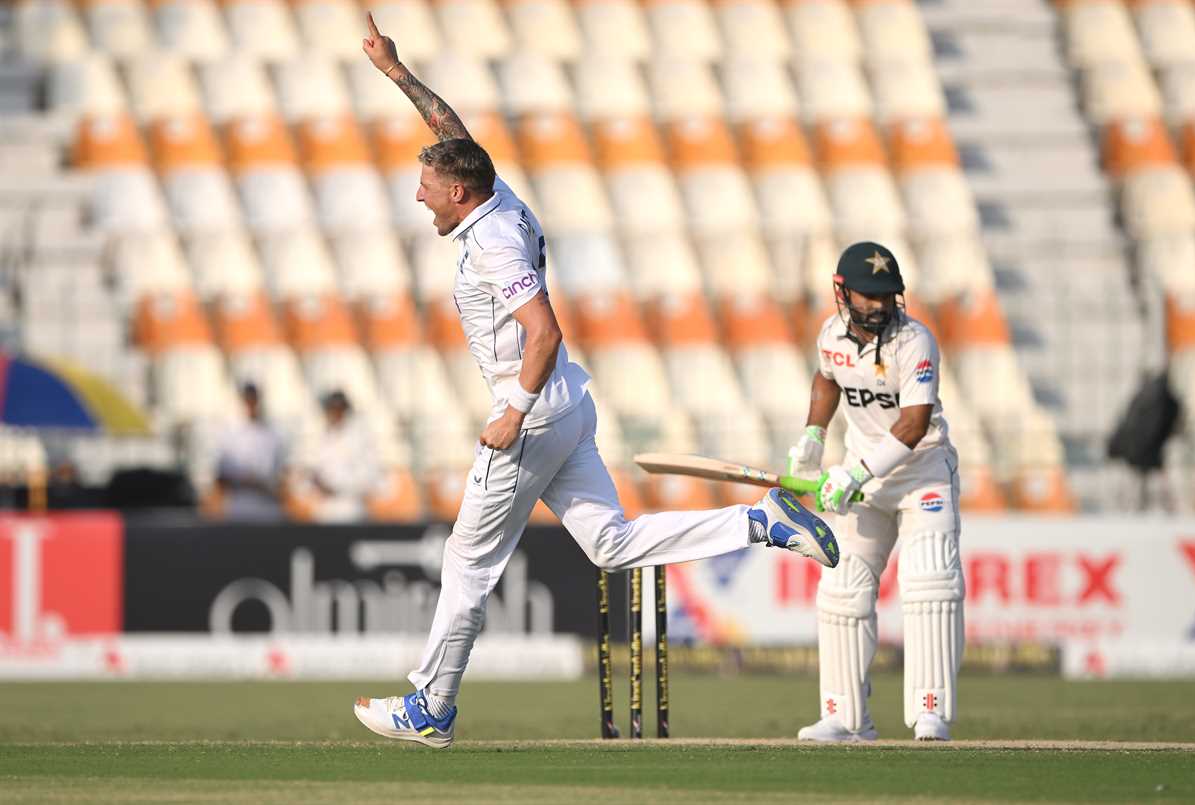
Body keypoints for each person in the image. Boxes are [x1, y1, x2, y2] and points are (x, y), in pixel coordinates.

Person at [353, 13, 840, 748]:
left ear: (458, 194)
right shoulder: (494, 194)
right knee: (610, 543)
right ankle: (758, 519)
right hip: (568, 408)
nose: (419, 194)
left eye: (426, 185)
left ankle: (431, 706)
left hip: (537, 410)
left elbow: (545, 331)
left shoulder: (492, 241)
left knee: (467, 561)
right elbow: (452, 130)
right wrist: (396, 73)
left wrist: (512, 412)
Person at [787, 241, 965, 743]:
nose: (879, 305)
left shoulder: (916, 342)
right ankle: (845, 718)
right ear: (843, 293)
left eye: (887, 295)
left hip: (922, 474)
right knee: (842, 587)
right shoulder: (830, 336)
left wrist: (854, 473)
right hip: (863, 477)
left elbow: (913, 425)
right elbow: (827, 381)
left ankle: (931, 712)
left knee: (930, 582)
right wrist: (813, 436)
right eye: (868, 295)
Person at [299, 389, 381, 523]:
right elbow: (307, 480)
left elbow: (370, 479)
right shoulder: (322, 439)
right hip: (325, 514)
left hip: (352, 513)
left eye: (337, 409)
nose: (333, 414)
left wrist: (336, 487)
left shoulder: (360, 439)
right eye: (330, 409)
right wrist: (313, 482)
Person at [214, 383, 285, 521]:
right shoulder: (229, 435)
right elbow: (222, 477)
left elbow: (278, 478)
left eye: (253, 400)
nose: (251, 404)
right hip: (239, 508)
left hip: (266, 508)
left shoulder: (272, 435)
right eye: (247, 400)